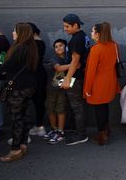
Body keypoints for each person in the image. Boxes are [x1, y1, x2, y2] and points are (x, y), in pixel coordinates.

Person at [0, 23, 38, 162]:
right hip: (28, 86)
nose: (12, 33)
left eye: (15, 31)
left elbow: (4, 67)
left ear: (21, 33)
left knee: (16, 118)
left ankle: (15, 149)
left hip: (18, 88)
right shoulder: (31, 48)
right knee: (24, 115)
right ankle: (22, 144)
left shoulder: (19, 48)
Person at [84, 22, 120, 145]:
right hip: (110, 81)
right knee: (104, 107)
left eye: (92, 31)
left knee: (99, 109)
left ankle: (101, 134)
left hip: (98, 84)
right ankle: (106, 130)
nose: (91, 33)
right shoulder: (114, 45)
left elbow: (90, 72)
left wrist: (87, 89)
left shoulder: (96, 49)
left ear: (98, 34)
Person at [62, 14, 90, 145]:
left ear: (75, 25)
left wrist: (67, 78)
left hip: (76, 77)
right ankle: (78, 131)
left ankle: (81, 134)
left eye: (67, 26)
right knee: (78, 106)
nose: (65, 29)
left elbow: (75, 60)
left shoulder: (76, 40)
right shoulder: (83, 36)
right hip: (79, 75)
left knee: (77, 107)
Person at [43, 39, 69, 144]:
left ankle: (60, 131)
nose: (58, 48)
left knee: (61, 109)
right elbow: (58, 68)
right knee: (50, 109)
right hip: (51, 89)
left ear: (66, 47)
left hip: (63, 89)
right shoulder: (53, 59)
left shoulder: (69, 58)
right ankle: (54, 129)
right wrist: (74, 65)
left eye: (61, 45)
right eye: (56, 46)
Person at [27, 23, 47, 137]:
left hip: (32, 75)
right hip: (40, 74)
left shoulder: (32, 44)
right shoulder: (41, 42)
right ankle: (40, 126)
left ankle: (36, 127)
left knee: (28, 101)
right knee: (39, 101)